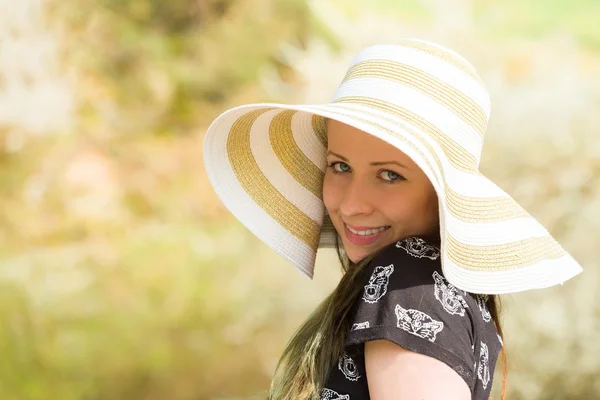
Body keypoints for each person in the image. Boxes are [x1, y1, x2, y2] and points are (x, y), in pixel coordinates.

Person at [202, 39, 583, 399]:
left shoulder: (408, 285)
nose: (351, 205)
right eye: (340, 166)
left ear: (442, 193)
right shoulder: (435, 285)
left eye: (389, 175)